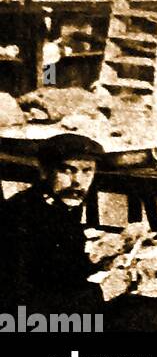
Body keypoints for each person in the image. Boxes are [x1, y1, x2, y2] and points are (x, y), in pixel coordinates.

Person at [0, 134, 144, 312]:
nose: (78, 181)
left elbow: (56, 270)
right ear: (44, 171)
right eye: (67, 170)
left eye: (87, 170)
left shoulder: (59, 204)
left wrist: (98, 260)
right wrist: (103, 292)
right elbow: (23, 305)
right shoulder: (18, 217)